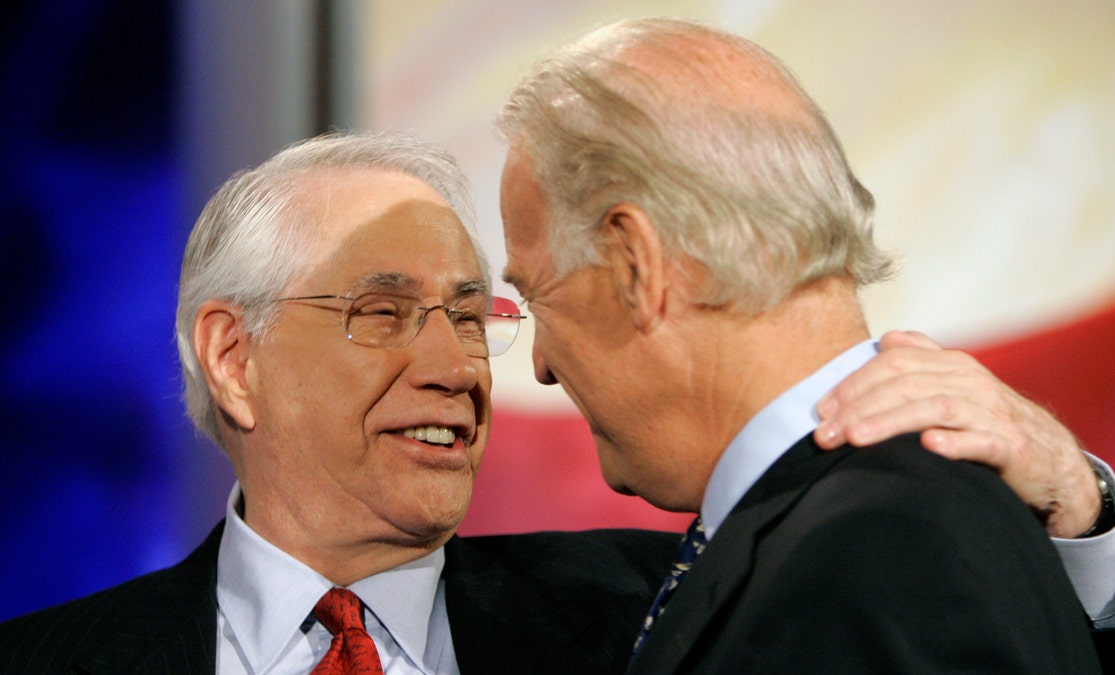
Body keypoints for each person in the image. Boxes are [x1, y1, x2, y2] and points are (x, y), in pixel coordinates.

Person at [495, 17, 1115, 673]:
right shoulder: (866, 521)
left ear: (634, 263)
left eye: (539, 297)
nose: (542, 364)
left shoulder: (878, 550)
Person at [0, 132, 678, 674]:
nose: (455, 368)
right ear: (233, 357)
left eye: (469, 317)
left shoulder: (656, 609)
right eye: (383, 312)